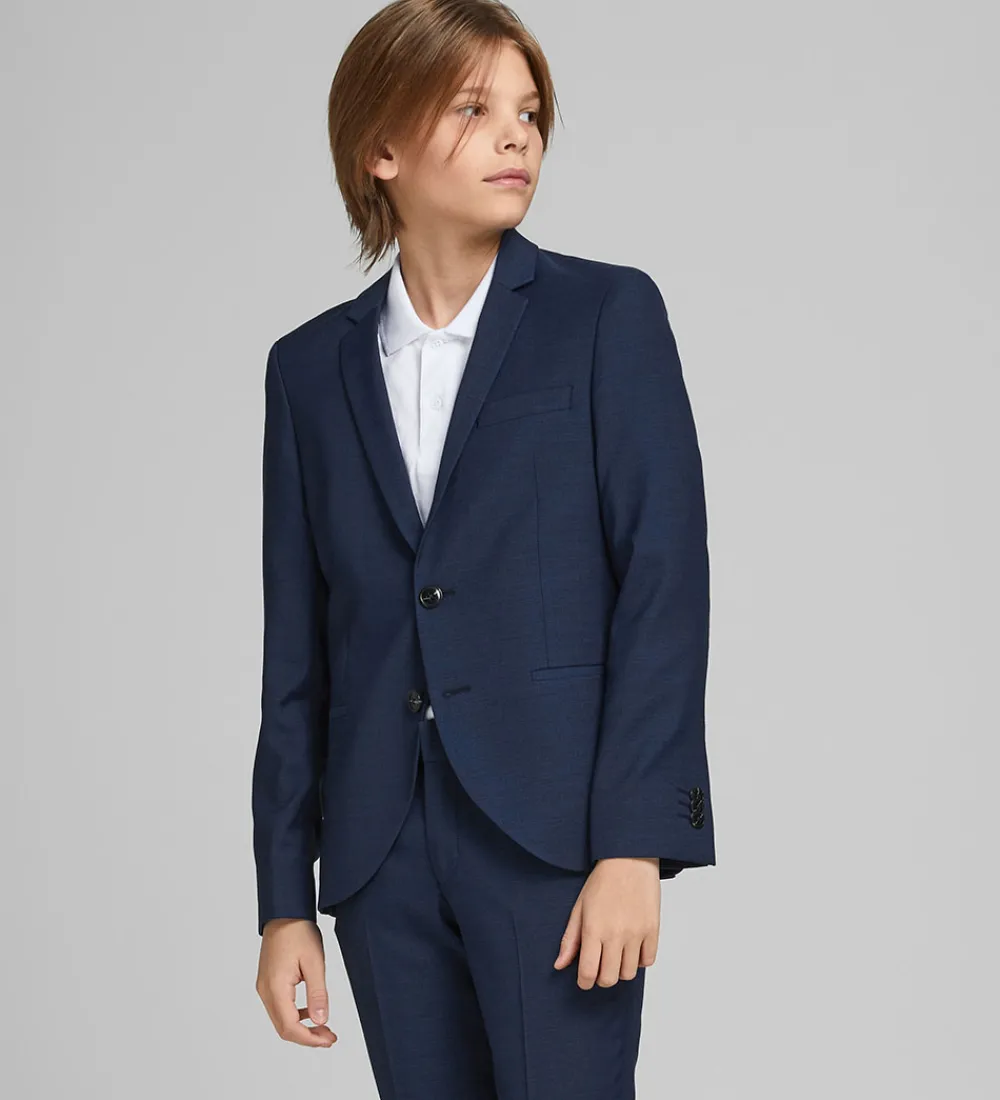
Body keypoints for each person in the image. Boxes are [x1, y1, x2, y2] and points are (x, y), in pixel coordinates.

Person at [252, 1, 716, 1096]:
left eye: (529, 111)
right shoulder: (308, 371)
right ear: (381, 150)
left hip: (555, 842)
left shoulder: (604, 316)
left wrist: (634, 843)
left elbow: (663, 584)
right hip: (379, 855)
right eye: (472, 108)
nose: (517, 134)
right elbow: (297, 650)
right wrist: (282, 902)